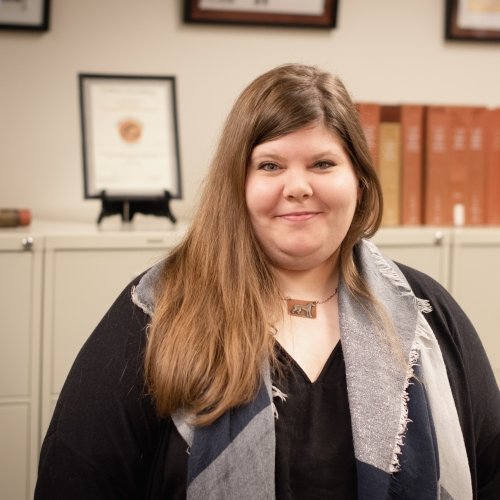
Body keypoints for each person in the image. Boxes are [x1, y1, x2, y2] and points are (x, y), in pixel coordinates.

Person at [35, 64, 499, 499]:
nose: (297, 186)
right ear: (236, 184)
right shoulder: (157, 311)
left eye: (322, 164)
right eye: (271, 166)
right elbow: (75, 478)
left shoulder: (426, 314)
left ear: (358, 181)